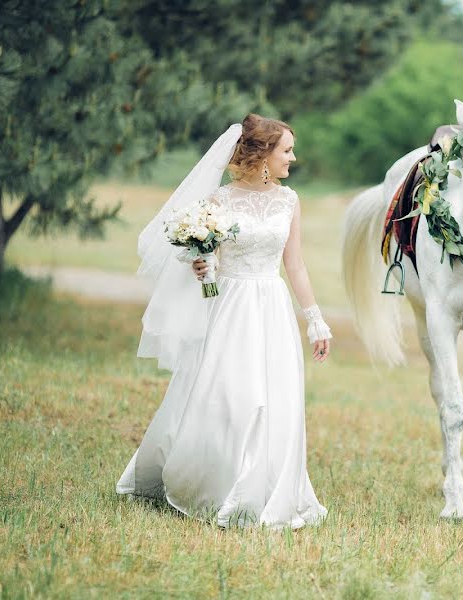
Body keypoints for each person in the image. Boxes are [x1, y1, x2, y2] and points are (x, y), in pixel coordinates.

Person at [117, 114, 332, 529]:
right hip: (229, 306)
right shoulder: (218, 201)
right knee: (229, 394)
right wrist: (204, 266)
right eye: (286, 149)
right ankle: (212, 482)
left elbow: (297, 265)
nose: (293, 157)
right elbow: (208, 261)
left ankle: (266, 486)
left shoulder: (289, 201)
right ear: (263, 154)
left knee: (273, 399)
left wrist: (315, 320)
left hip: (271, 305)